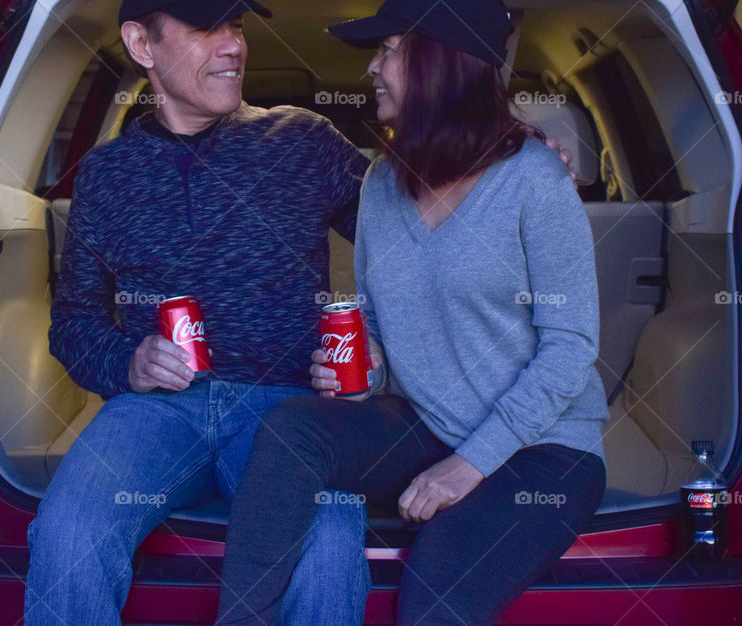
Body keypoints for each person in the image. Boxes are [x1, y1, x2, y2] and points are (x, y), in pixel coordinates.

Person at [216, 0, 609, 624]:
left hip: (542, 449)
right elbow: (371, 320)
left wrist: (468, 466)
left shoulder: (535, 179)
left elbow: (570, 347)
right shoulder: (381, 183)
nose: (372, 68)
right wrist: (362, 369)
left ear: (441, 64)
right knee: (293, 430)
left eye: (388, 50)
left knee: (435, 599)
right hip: (429, 423)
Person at [23, 1, 374, 624]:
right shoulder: (105, 175)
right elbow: (73, 320)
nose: (234, 45)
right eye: (207, 27)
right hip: (156, 413)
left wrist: (507, 157)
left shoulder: (303, 140)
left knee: (327, 549)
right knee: (69, 531)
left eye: (236, 26)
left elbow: (420, 239)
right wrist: (127, 363)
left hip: (289, 412)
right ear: (141, 43)